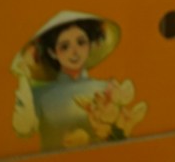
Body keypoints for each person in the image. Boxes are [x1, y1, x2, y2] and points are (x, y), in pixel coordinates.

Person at [11, 11, 146, 151]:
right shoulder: (38, 95)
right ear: (52, 52)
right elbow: (23, 130)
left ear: (90, 45)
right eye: (65, 46)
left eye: (81, 42)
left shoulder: (107, 89)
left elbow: (121, 139)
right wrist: (23, 75)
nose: (75, 52)